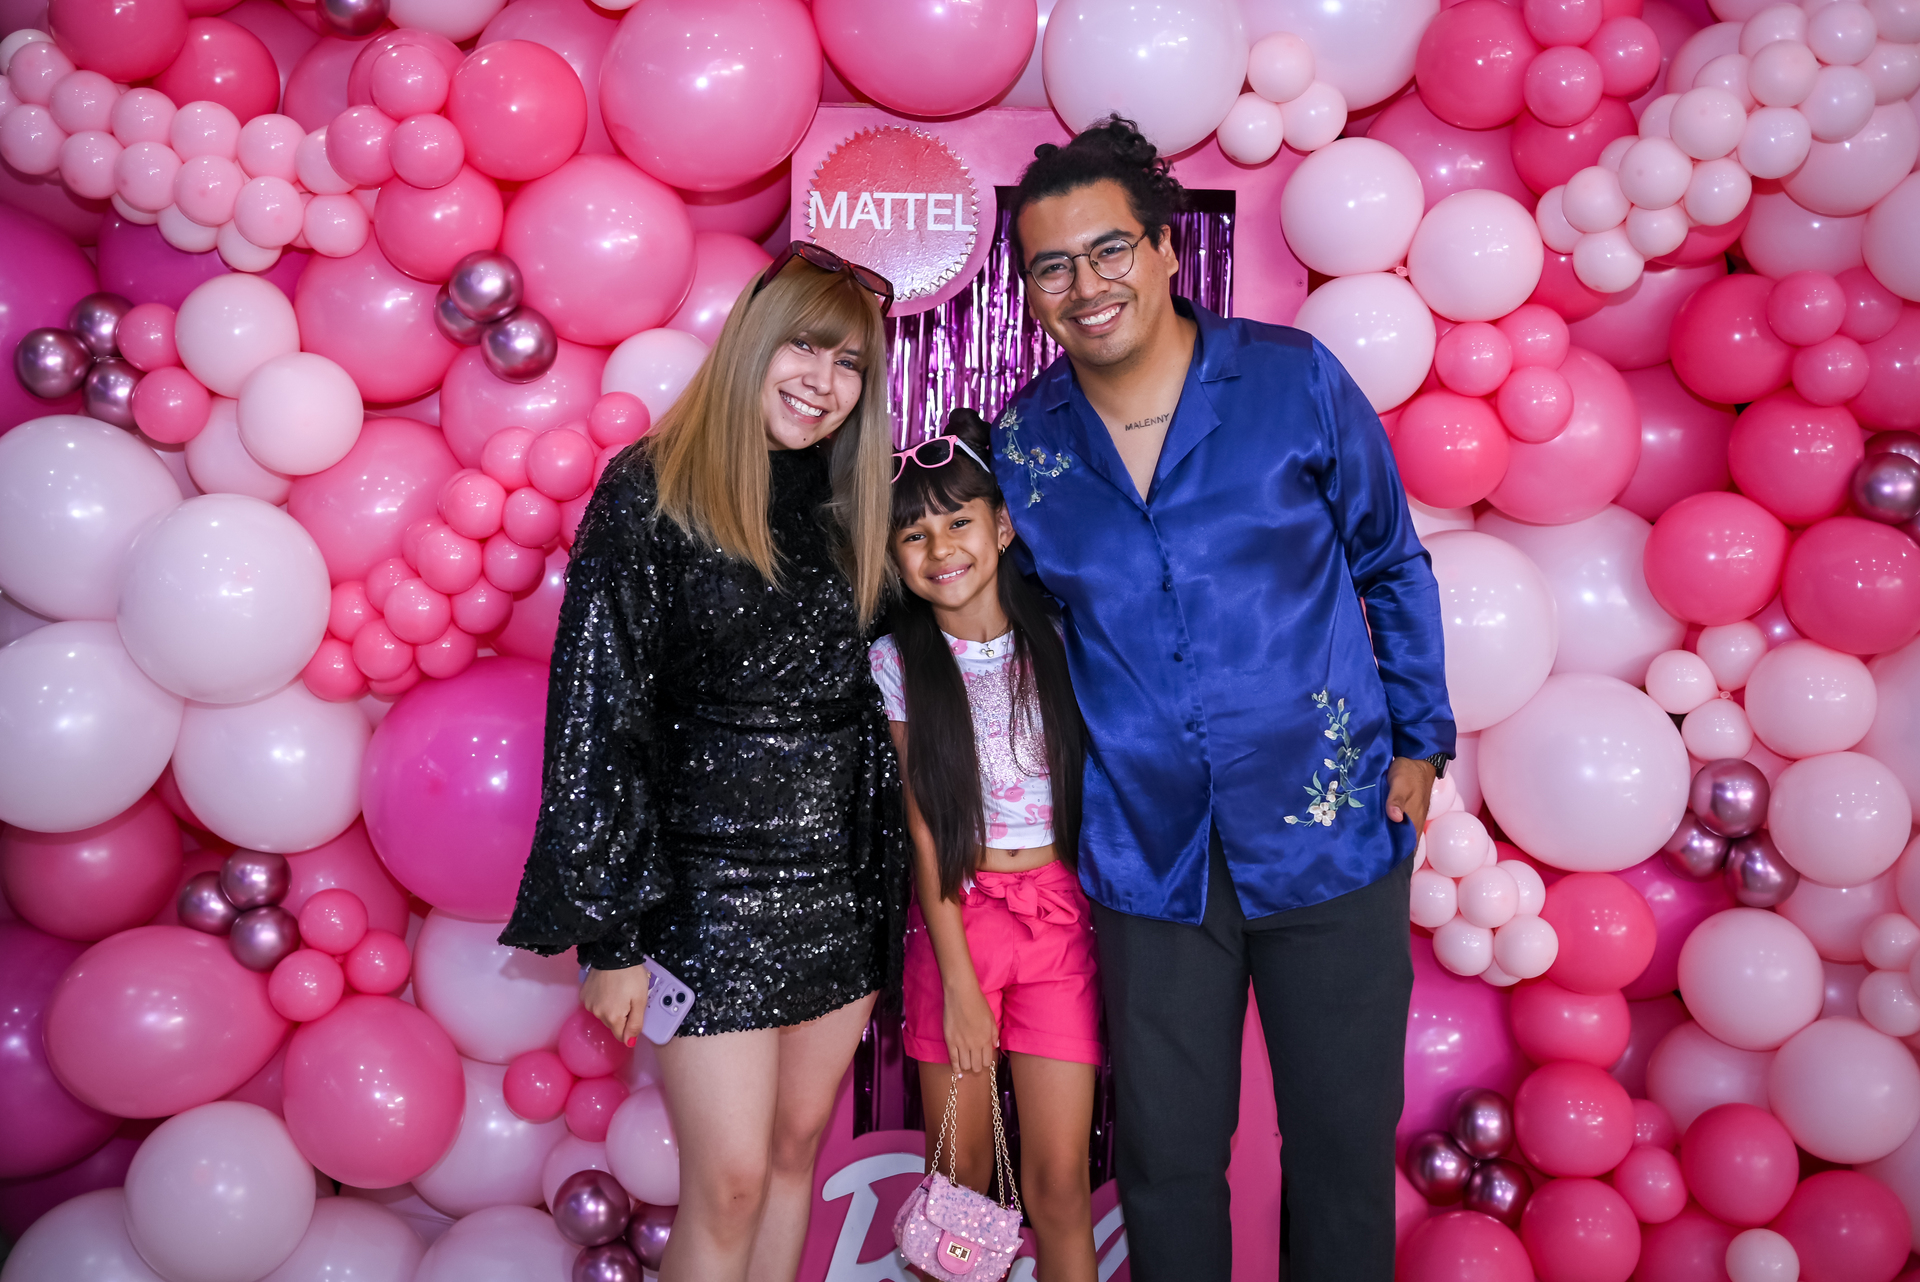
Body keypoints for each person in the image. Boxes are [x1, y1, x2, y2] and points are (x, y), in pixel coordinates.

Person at [991, 118, 1455, 1281]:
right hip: (1149, 850)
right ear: (1030, 291)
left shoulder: (1293, 380)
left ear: (1165, 249)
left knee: (1341, 1152)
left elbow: (1391, 562)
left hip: (1332, 827)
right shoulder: (1025, 448)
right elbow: (1012, 631)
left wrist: (1421, 740)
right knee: (1165, 1159)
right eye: (1052, 266)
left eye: (1109, 250)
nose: (1086, 285)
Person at [499, 244, 908, 1282]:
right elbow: (598, 715)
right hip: (702, 896)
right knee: (726, 1184)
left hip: (839, 892)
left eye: (850, 364)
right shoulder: (652, 490)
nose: (823, 381)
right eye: (805, 347)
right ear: (751, 343)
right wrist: (612, 938)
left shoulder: (853, 507)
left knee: (792, 1157)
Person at [870, 407, 1099, 1282]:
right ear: (896, 558)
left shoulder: (1065, 643)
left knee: (1059, 1186)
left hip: (1058, 921)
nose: (941, 549)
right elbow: (925, 829)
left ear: (1001, 527)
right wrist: (960, 986)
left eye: (958, 522)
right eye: (914, 536)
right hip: (957, 924)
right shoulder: (897, 663)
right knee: (959, 1186)